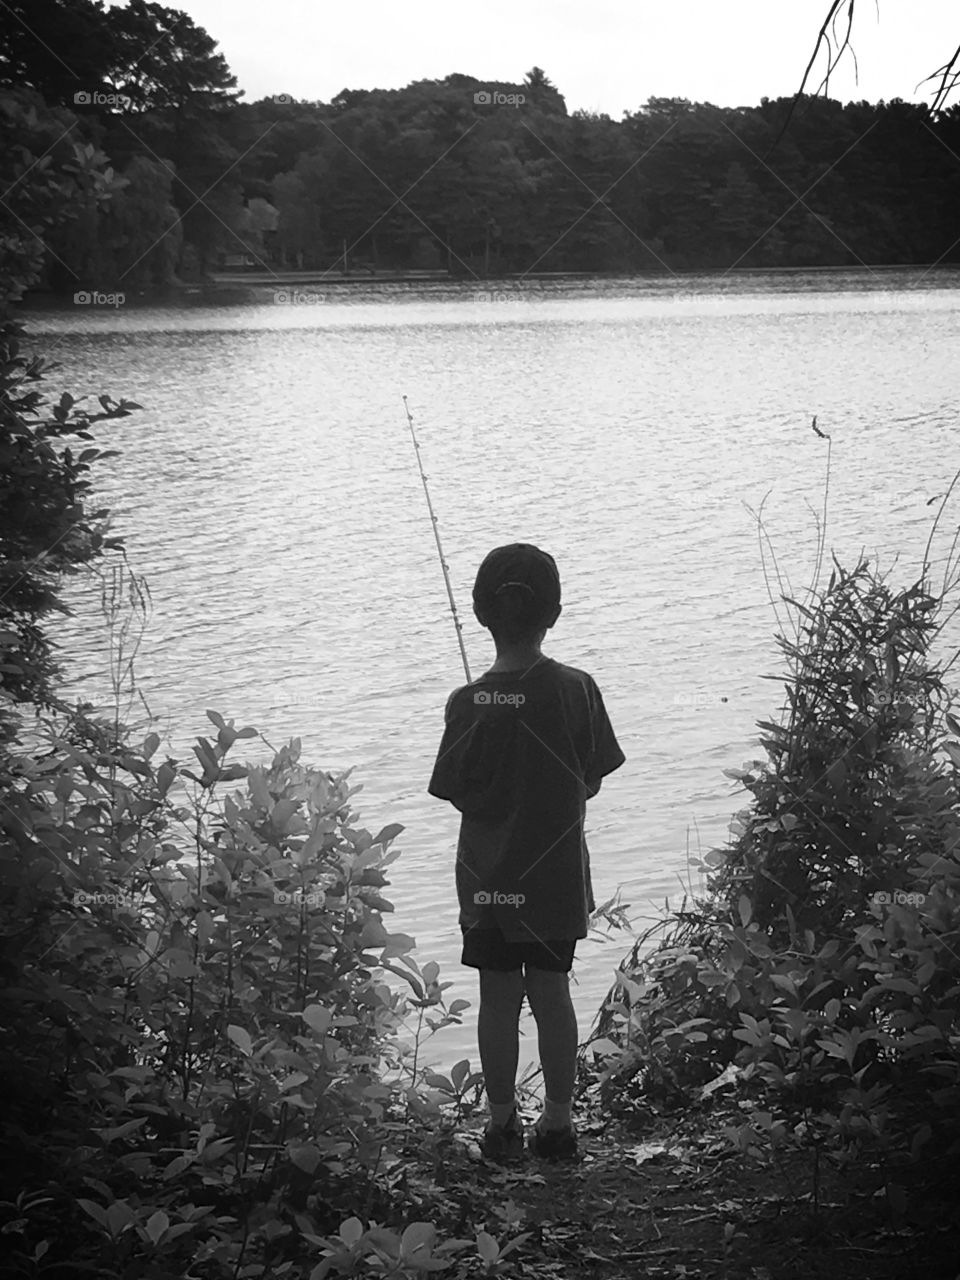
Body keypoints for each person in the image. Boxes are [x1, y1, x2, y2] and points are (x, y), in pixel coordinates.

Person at [427, 543, 625, 1161]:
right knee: (551, 992)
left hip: (489, 884)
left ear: (483, 616)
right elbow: (591, 776)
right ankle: (560, 1125)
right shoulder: (577, 689)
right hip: (554, 881)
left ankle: (501, 1124)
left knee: (497, 996)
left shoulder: (468, 704)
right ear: (554, 613)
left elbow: (456, 793)